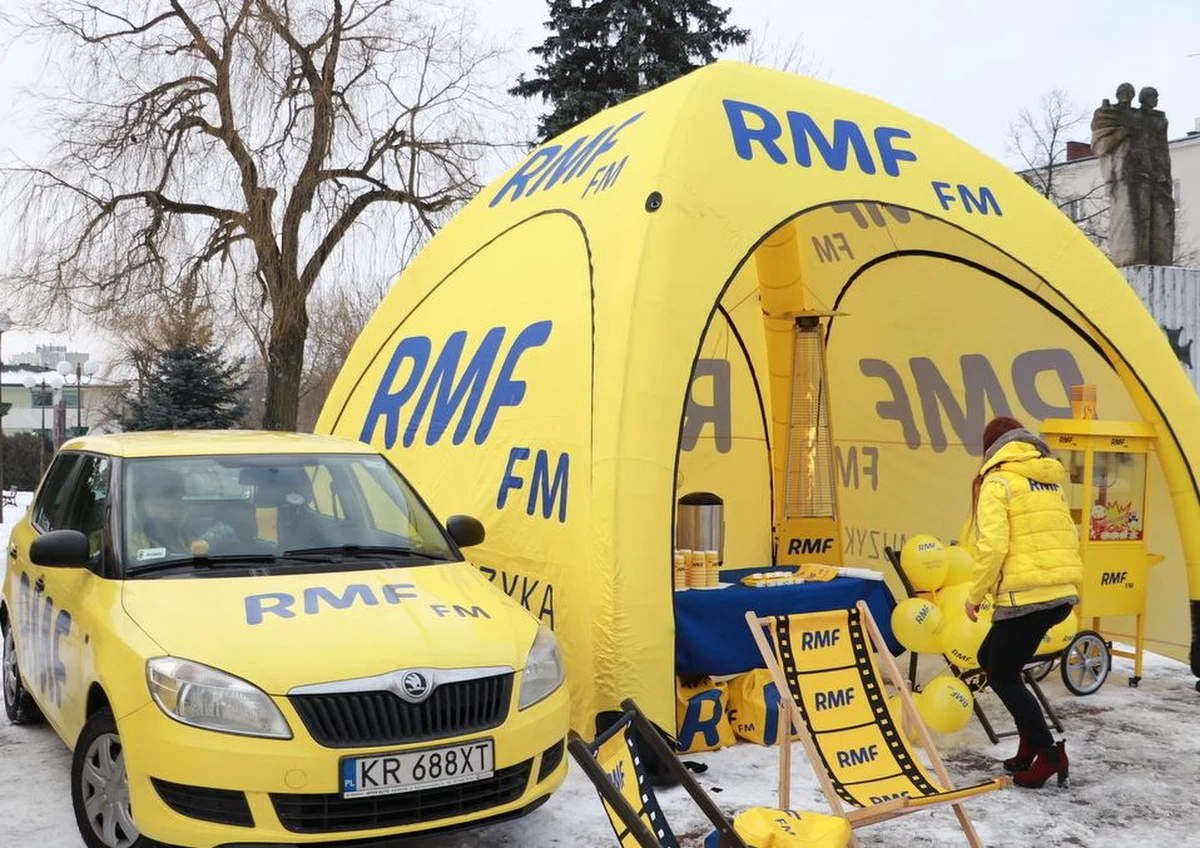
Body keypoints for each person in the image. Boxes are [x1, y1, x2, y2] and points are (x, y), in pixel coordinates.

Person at [965, 415, 1083, 789]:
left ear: (990, 448)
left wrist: (975, 594)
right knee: (991, 660)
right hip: (1058, 593)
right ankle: (1030, 741)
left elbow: (993, 545)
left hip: (1027, 597)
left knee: (1000, 673)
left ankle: (1049, 754)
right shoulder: (1047, 480)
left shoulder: (998, 481)